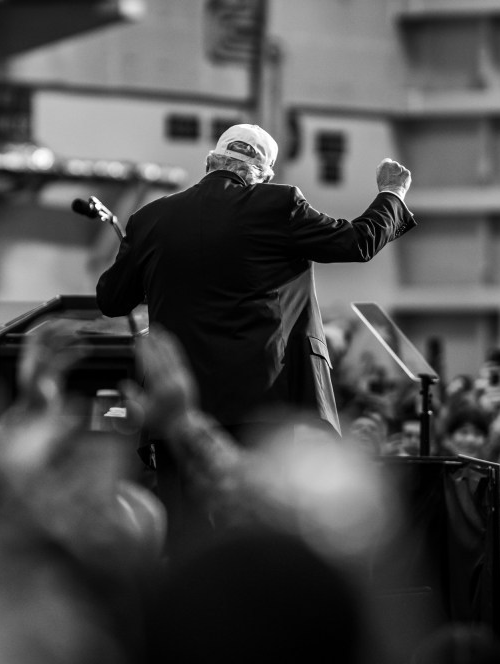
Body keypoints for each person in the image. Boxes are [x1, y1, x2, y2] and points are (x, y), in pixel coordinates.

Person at [96, 123, 414, 549]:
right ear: (261, 174)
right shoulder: (278, 204)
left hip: (179, 406)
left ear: (211, 162)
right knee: (262, 532)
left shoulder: (151, 218)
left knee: (186, 540)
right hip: (265, 401)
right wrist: (392, 193)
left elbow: (112, 298)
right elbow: (357, 242)